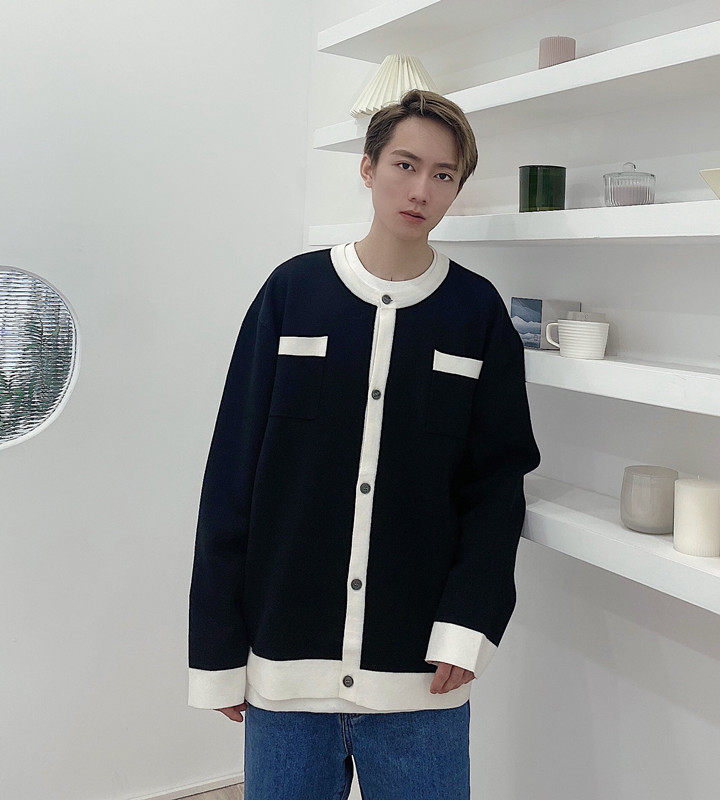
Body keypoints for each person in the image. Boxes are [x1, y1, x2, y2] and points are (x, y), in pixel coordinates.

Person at [188, 88, 541, 798]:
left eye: (443, 174)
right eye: (405, 165)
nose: (421, 190)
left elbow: (497, 487)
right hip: (286, 674)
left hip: (419, 679)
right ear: (368, 166)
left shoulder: (477, 314)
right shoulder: (291, 294)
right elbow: (232, 472)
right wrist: (216, 648)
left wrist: (469, 623)